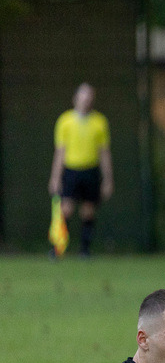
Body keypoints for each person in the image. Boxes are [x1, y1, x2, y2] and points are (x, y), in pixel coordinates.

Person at [48, 83, 113, 257]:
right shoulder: (65, 121)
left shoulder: (99, 122)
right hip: (71, 171)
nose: (86, 100)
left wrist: (108, 179)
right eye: (83, 96)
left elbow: (104, 152)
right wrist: (55, 178)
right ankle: (57, 248)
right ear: (75, 98)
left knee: (88, 211)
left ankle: (85, 249)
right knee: (65, 209)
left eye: (89, 96)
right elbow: (60, 152)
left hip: (91, 171)